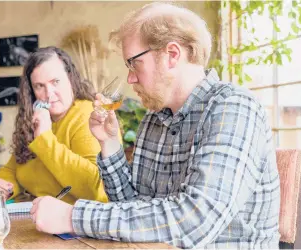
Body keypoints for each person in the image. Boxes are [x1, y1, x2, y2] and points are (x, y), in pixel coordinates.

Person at [30, 3, 280, 249]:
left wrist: (73, 217)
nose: (130, 77)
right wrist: (109, 144)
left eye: (133, 63)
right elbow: (132, 209)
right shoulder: (154, 119)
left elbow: (195, 219)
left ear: (172, 55)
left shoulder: (233, 107)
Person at [0, 46, 108, 205]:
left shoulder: (88, 115)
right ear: (32, 91)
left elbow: (94, 189)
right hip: (34, 218)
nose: (49, 94)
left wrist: (44, 138)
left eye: (55, 82)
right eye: (39, 86)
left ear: (71, 78)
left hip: (78, 224)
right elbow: (13, 169)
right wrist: (4, 186)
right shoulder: (36, 119)